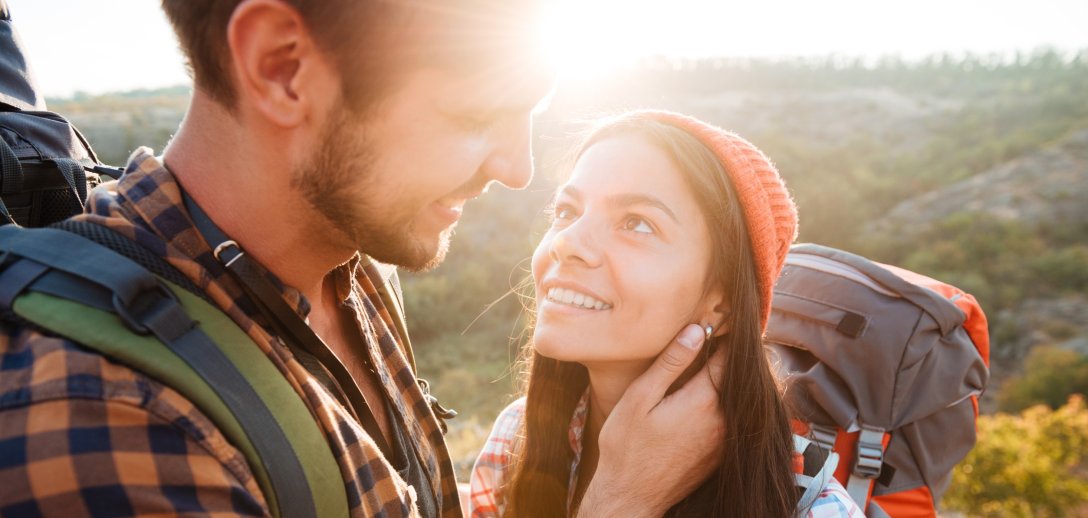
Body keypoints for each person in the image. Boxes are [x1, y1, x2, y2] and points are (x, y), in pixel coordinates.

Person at [0, 1, 727, 516]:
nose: (517, 167)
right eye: (476, 116)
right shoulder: (113, 421)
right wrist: (620, 503)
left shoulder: (354, 269)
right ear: (284, 68)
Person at [468, 111, 865, 517]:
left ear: (722, 303)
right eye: (567, 211)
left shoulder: (817, 511)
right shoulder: (515, 437)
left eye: (636, 223)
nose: (566, 242)